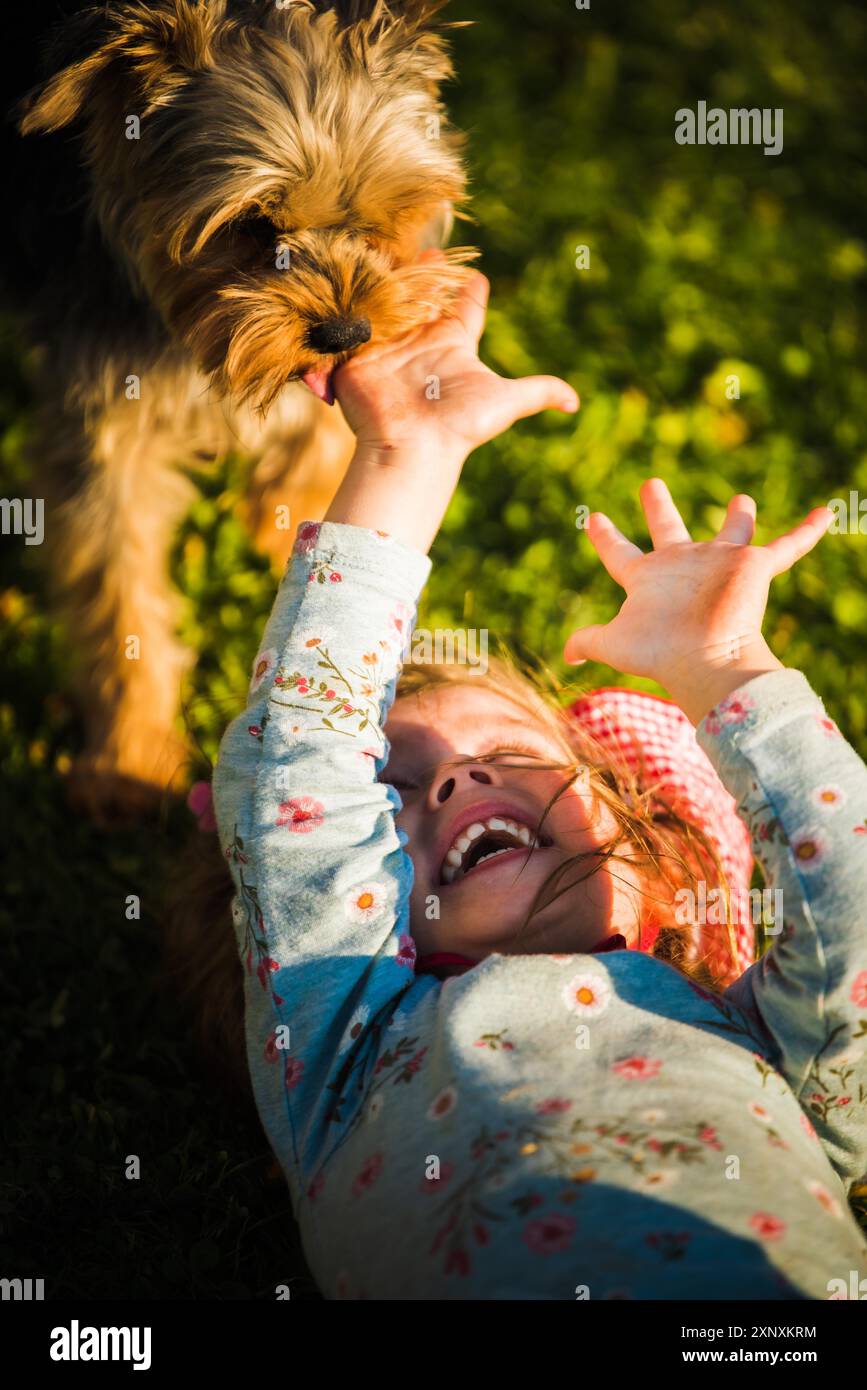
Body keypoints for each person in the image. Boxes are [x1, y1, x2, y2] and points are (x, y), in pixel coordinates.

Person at [211, 270, 867, 1298]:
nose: (460, 776)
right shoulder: (343, 1049)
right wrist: (403, 457)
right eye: (392, 793)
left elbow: (853, 903)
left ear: (651, 853)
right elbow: (299, 756)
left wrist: (726, 663)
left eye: (514, 759)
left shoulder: (786, 1045)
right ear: (368, 905)